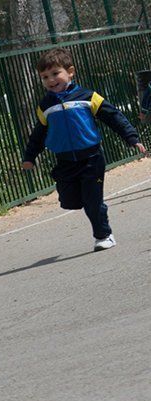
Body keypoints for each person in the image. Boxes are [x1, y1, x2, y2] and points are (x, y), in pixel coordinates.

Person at [22, 48, 146, 251]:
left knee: (92, 201)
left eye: (55, 74)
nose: (50, 80)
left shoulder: (88, 96)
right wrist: (30, 157)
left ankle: (103, 235)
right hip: (64, 162)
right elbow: (38, 134)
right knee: (69, 202)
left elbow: (113, 116)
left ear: (70, 72)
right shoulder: (45, 105)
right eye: (45, 77)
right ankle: (88, 205)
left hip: (91, 158)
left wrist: (131, 137)